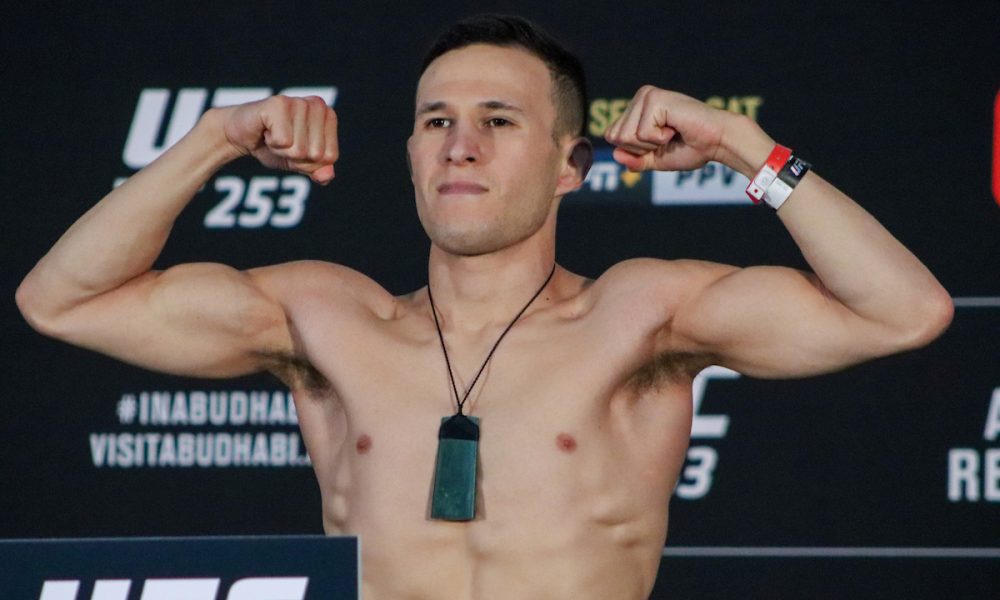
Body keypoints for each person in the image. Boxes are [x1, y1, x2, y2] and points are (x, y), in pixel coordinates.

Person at [16, 14, 952, 600]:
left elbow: (903, 311)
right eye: (436, 122)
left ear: (571, 167)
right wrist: (215, 139)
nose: (459, 146)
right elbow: (61, 301)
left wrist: (747, 146)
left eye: (498, 121)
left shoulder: (639, 317)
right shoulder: (324, 320)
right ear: (412, 157)